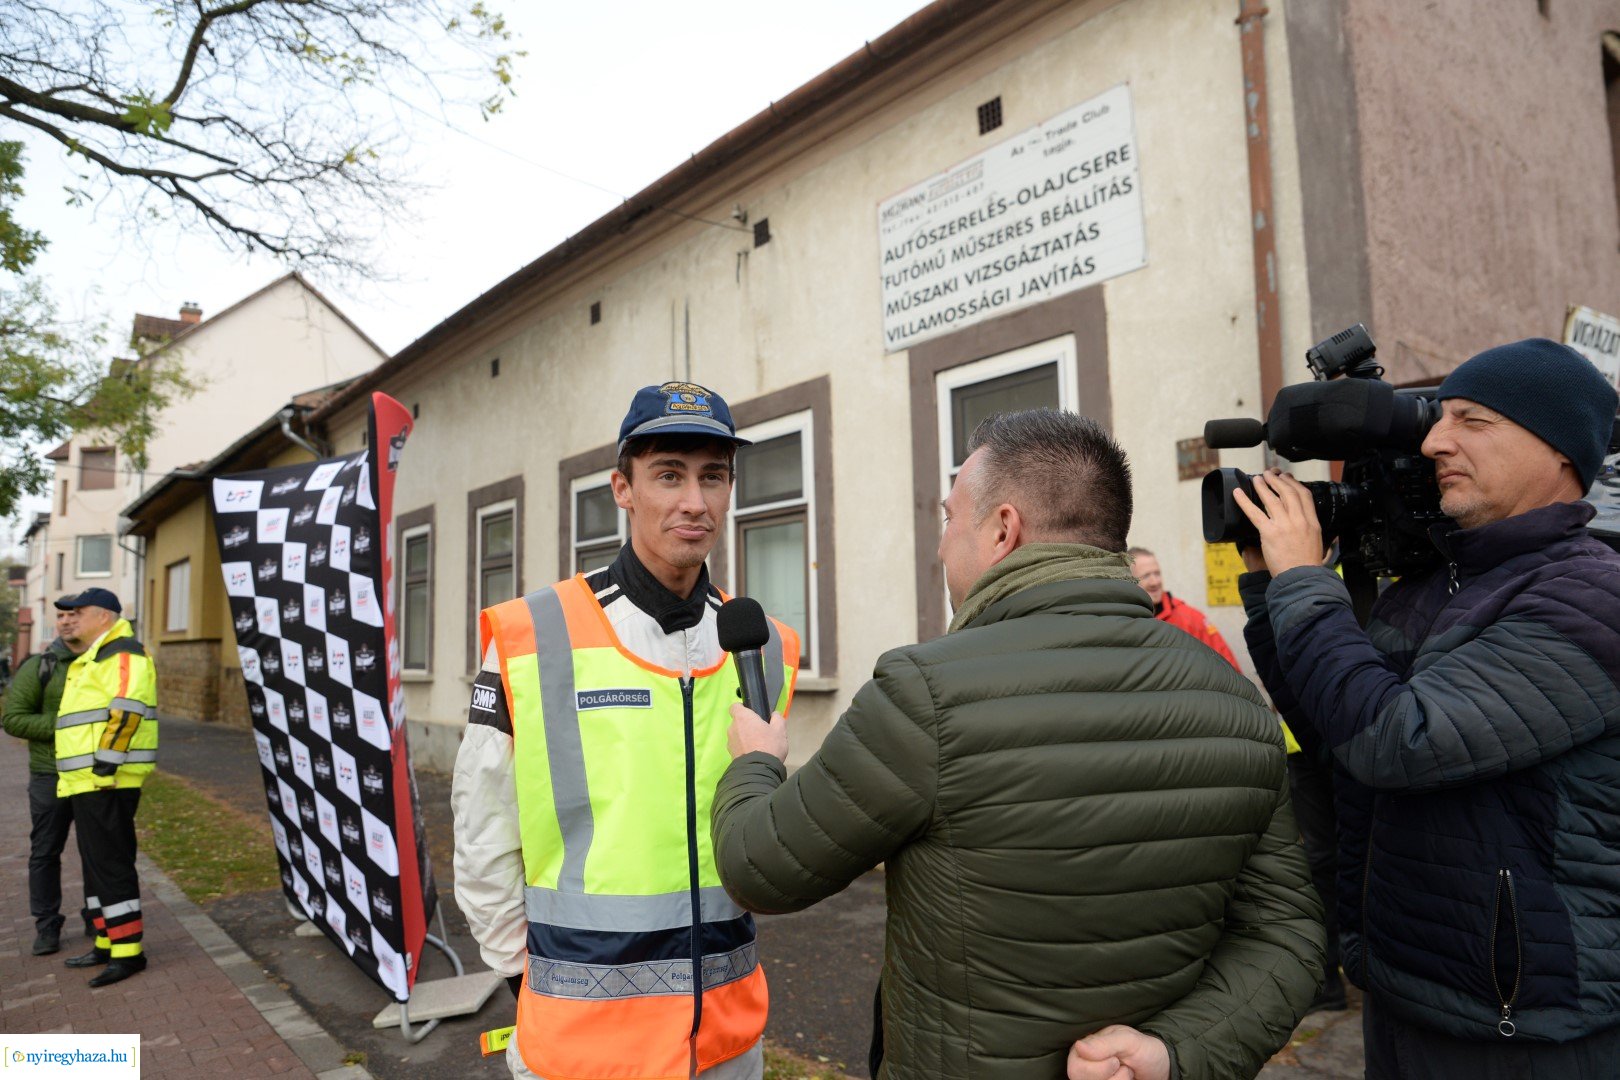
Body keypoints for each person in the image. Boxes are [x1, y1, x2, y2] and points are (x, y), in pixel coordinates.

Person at [712, 408, 1324, 1080]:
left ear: (1004, 529)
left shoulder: (925, 694)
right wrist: (1174, 1052)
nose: (941, 546)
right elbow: (1285, 937)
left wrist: (757, 766)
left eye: (949, 519)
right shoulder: (1236, 702)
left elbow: (760, 866)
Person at [1234, 338, 1620, 1076]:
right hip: (1403, 995)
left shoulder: (1591, 595)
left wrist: (1302, 585)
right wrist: (1269, 588)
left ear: (1560, 453)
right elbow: (1334, 732)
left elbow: (1397, 741)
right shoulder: (1426, 590)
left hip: (1525, 1025)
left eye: (1473, 420)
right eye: (1439, 419)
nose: (1437, 440)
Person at [452, 381, 801, 1080]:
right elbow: (482, 832)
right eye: (669, 474)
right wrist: (524, 980)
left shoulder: (762, 645)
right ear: (622, 487)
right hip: (581, 1050)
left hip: (728, 1046)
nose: (694, 502)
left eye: (714, 476)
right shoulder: (534, 637)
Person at [1130, 546, 1348, 1012]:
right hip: (1200, 762)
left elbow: (1230, 678)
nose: (1152, 582)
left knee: (1311, 860)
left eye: (1156, 572)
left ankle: (1321, 970)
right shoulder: (1130, 629)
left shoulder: (1186, 621)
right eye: (1144, 575)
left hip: (1210, 759)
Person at [53, 588, 158, 986]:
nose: (70, 619)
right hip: (87, 781)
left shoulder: (123, 652)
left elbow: (127, 708)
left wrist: (104, 768)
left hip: (107, 780)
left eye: (78, 613)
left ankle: (129, 953)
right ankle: (106, 942)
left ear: (103, 616)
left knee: (111, 865)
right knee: (95, 865)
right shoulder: (94, 656)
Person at [2, 601, 90, 956]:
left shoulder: (107, 664)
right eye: (61, 617)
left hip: (94, 775)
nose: (66, 622)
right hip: (49, 774)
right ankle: (47, 924)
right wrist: (68, 728)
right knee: (45, 852)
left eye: (74, 615)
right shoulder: (41, 666)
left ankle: (97, 916)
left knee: (98, 852)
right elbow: (13, 719)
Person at [1127, 546, 1241, 668]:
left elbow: (1228, 667)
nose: (1155, 582)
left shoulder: (1190, 618)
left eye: (1157, 573)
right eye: (1146, 576)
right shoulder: (1121, 623)